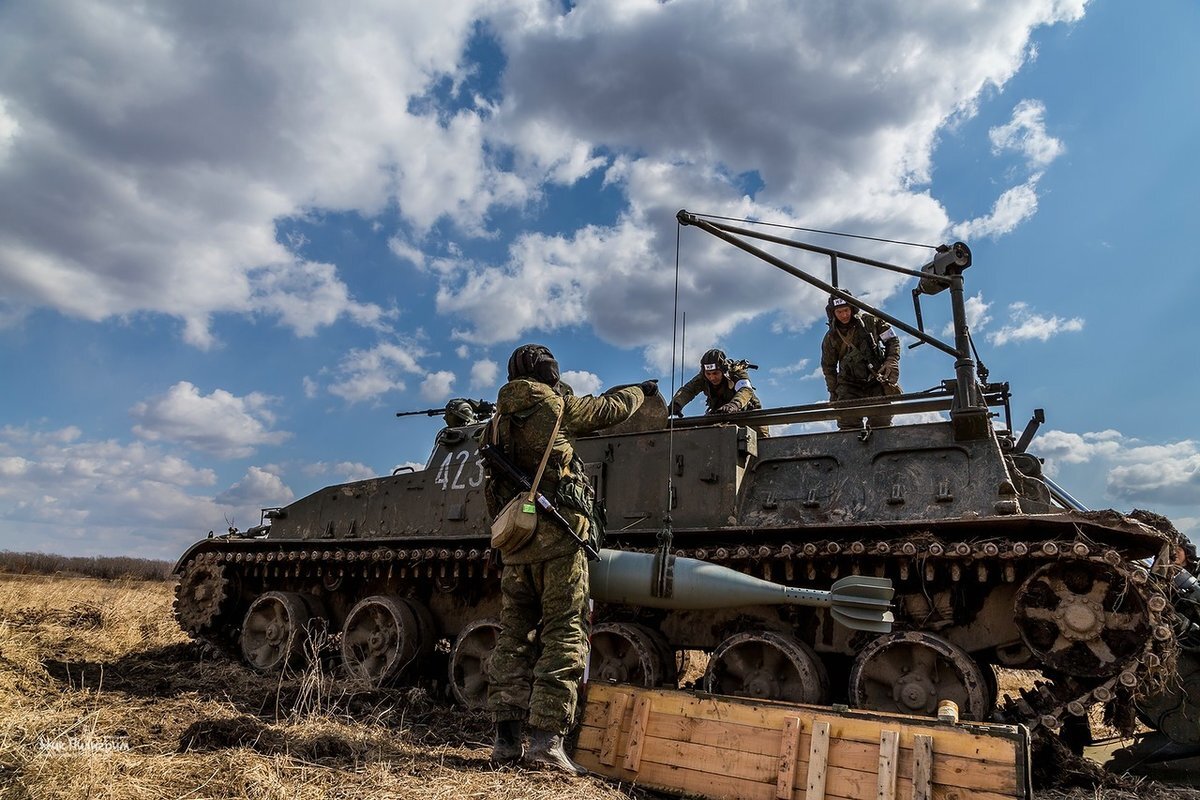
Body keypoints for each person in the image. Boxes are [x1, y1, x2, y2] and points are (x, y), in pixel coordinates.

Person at [483, 343, 653, 774]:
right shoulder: (557, 407)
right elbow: (609, 409)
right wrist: (639, 391)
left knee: (513, 638)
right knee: (564, 635)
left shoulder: (496, 423)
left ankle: (505, 743)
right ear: (549, 373)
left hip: (516, 546)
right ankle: (545, 743)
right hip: (559, 541)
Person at [820, 293, 901, 429]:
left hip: (875, 380)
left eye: (846, 310)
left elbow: (892, 340)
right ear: (833, 313)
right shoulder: (831, 338)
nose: (844, 315)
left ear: (852, 308)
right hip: (849, 385)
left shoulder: (871, 322)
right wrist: (833, 392)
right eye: (839, 312)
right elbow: (829, 367)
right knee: (848, 425)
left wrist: (891, 360)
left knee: (881, 423)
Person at [669, 348, 767, 437]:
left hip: (747, 412)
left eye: (715, 373)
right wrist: (677, 404)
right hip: (720, 413)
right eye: (708, 374)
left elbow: (746, 390)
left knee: (762, 440)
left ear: (723, 371)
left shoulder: (735, 373)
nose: (712, 377)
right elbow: (688, 390)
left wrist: (734, 405)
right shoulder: (702, 378)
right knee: (701, 435)